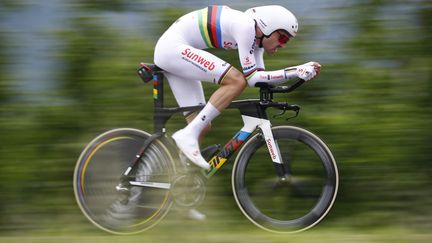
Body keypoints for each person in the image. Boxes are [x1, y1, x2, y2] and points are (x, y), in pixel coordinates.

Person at [154, 5, 321, 171]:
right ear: (268, 27)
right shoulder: (246, 26)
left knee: (202, 125)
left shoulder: (257, 43)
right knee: (236, 81)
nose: (283, 45)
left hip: (177, 55)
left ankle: (179, 176)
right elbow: (250, 78)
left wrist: (298, 75)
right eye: (282, 38)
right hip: (172, 49)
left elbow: (260, 80)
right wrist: (294, 71)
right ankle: (187, 135)